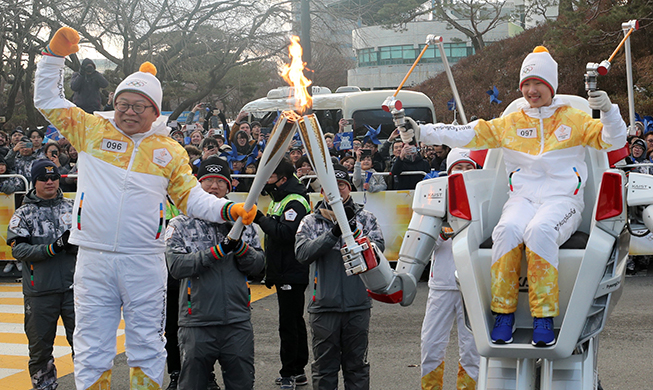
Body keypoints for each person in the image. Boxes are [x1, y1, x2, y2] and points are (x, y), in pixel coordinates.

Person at [34, 27, 257, 389]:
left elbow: (190, 198)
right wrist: (54, 56)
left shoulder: (168, 150)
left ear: (155, 111)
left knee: (147, 346)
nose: (129, 112)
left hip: (143, 259)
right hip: (93, 256)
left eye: (139, 106)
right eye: (123, 104)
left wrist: (226, 211)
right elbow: (47, 99)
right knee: (91, 347)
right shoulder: (91, 130)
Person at [401, 46, 627, 346]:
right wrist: (422, 132)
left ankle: (544, 317)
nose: (532, 91)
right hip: (522, 199)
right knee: (505, 231)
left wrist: (609, 111)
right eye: (527, 85)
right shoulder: (512, 122)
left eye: (539, 84)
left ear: (551, 86)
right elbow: (467, 133)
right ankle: (503, 314)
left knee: (540, 230)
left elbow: (614, 140)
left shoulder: (573, 119)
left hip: (563, 201)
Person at [166, 156, 264, 390]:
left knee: (242, 384)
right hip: (197, 322)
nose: (214, 187)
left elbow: (259, 266)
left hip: (236, 321)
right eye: (208, 181)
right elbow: (176, 267)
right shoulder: (180, 224)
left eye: (220, 181)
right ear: (198, 186)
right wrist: (217, 252)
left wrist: (239, 247)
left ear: (229, 186)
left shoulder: (243, 223)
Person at [295, 163, 384, 390]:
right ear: (323, 191)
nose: (338, 190)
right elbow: (302, 253)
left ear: (349, 189)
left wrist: (352, 230)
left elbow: (378, 250)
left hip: (358, 305)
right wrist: (333, 234)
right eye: (332, 186)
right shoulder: (310, 221)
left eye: (342, 185)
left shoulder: (367, 218)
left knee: (357, 367)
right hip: (324, 306)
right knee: (324, 368)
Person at [6, 159, 76, 390]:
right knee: (40, 351)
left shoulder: (72, 207)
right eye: (43, 178)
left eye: (54, 177)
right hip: (39, 293)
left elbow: (93, 241)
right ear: (34, 181)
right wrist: (51, 248)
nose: (50, 182)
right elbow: (18, 249)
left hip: (74, 290)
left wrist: (74, 243)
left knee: (85, 346)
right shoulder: (24, 213)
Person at [421, 149, 480, 390]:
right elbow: (424, 243)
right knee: (431, 344)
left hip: (473, 285)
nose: (464, 172)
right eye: (459, 167)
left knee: (473, 349)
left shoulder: (484, 198)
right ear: (449, 172)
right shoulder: (436, 198)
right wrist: (441, 229)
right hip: (443, 285)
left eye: (469, 167)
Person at [253, 158, 311, 389]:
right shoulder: (280, 199)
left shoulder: (295, 202)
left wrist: (259, 218)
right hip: (282, 270)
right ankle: (297, 369)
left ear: (283, 179)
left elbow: (285, 234)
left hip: (292, 270)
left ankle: (292, 371)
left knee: (289, 324)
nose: (266, 181)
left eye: (270, 177)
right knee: (292, 322)